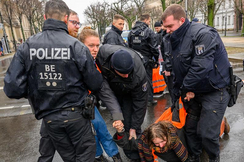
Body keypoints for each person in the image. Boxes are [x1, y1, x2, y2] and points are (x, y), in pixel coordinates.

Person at [4, 0, 103, 161]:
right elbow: (95, 83)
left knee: (70, 158)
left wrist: (36, 90)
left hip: (50, 117)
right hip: (76, 115)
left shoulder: (27, 46)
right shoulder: (76, 46)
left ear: (44, 17)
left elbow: (12, 88)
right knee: (85, 156)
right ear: (66, 18)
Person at [161, 4, 231, 162]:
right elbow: (172, 65)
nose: (167, 30)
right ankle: (195, 157)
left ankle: (213, 158)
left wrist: (186, 88)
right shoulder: (170, 38)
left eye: (170, 26)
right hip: (192, 90)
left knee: (206, 133)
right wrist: (177, 94)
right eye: (165, 27)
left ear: (182, 20)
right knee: (190, 129)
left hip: (214, 89)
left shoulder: (203, 34)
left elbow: (200, 67)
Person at [96, 45, 148, 161]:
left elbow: (140, 103)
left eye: (128, 72)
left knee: (131, 124)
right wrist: (117, 116)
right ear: (113, 67)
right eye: (123, 73)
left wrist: (134, 127)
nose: (126, 75)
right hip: (111, 89)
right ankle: (130, 152)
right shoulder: (101, 56)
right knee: (120, 121)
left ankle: (136, 153)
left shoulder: (138, 74)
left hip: (130, 91)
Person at [78, 27, 122, 162]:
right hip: (75, 106)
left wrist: (117, 116)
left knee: (101, 128)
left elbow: (104, 90)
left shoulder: (94, 63)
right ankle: (98, 156)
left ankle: (114, 155)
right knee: (91, 134)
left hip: (88, 104)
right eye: (91, 45)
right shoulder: (73, 62)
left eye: (97, 45)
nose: (95, 49)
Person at [113, 120, 188, 162]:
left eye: (163, 141)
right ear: (151, 140)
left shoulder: (175, 136)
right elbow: (128, 145)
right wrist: (120, 132)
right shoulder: (144, 142)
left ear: (167, 135)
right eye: (156, 143)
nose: (161, 146)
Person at [128, 14, 159, 107]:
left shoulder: (131, 32)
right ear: (146, 20)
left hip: (135, 59)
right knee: (148, 80)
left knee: (136, 79)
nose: (149, 23)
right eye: (149, 21)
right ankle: (149, 99)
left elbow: (129, 46)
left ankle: (137, 98)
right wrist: (156, 59)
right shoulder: (148, 31)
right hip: (147, 60)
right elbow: (154, 47)